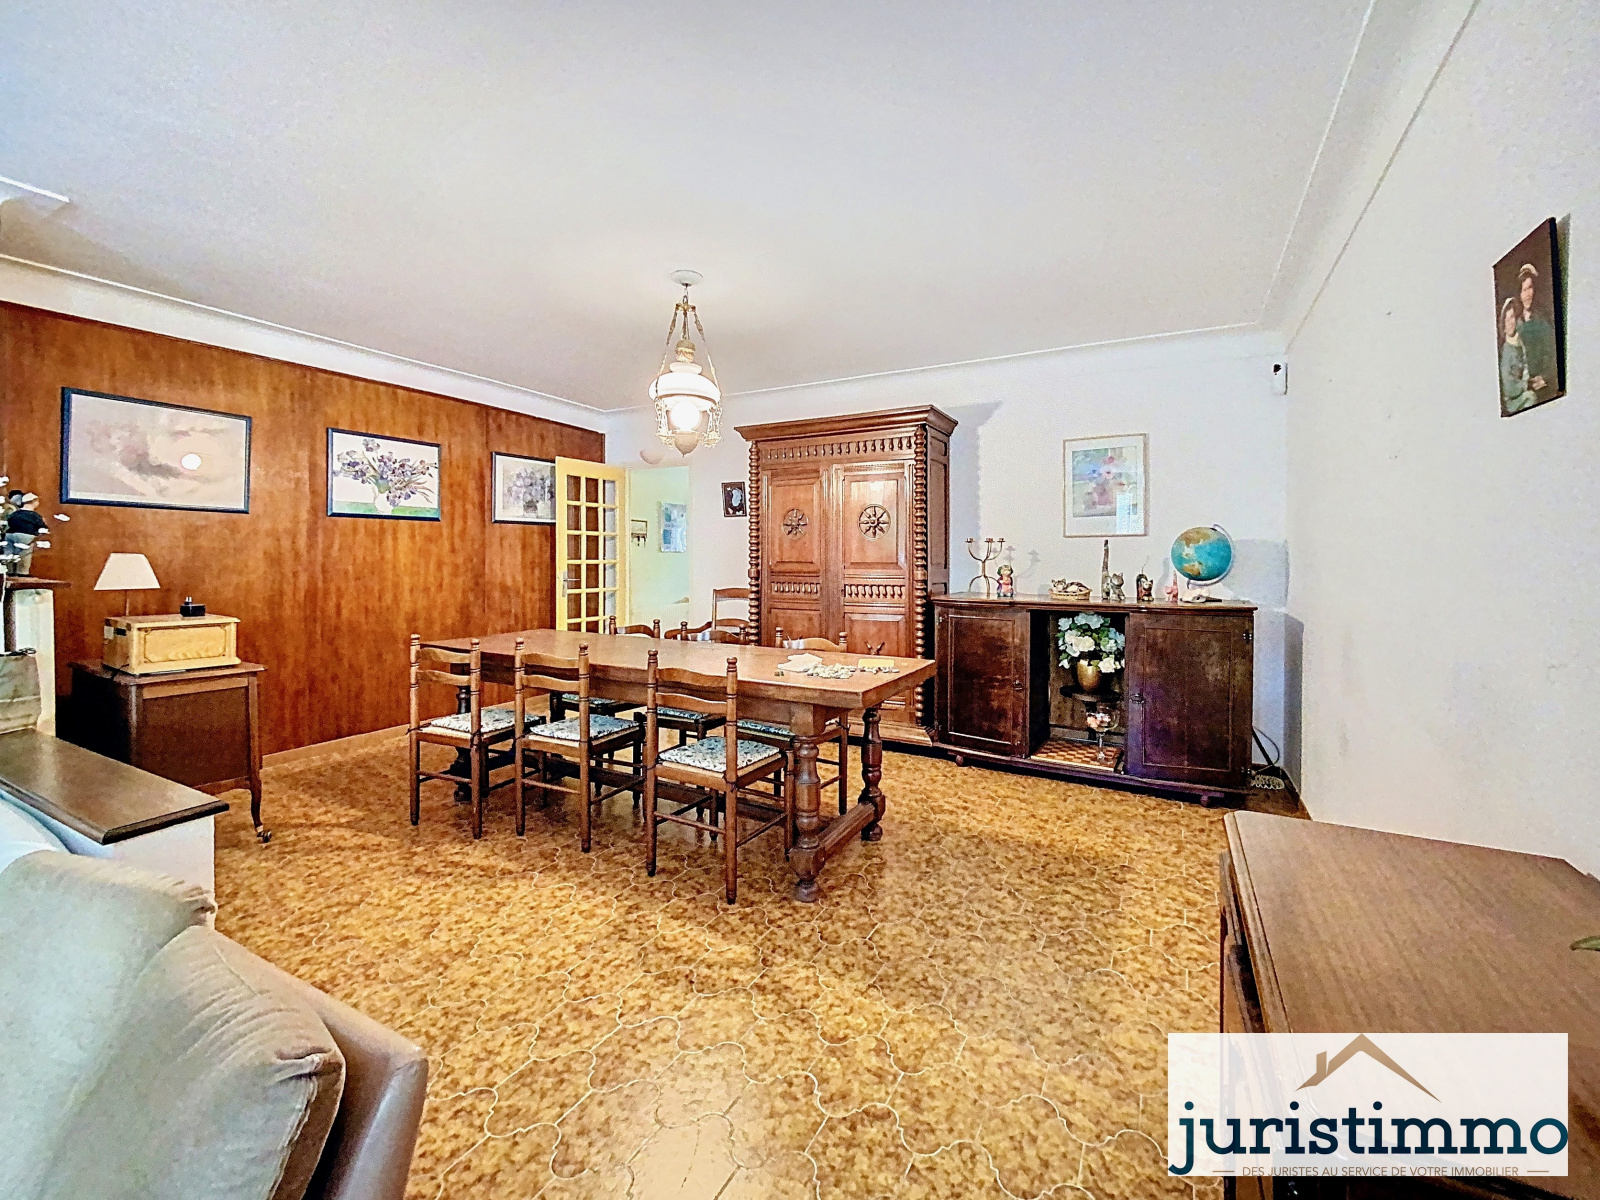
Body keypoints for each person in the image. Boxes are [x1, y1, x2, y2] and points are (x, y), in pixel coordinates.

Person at [1516, 263, 1558, 398]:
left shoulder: (1543, 321)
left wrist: (1545, 378)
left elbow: (1552, 354)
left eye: (1530, 288)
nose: (1528, 294)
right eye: (1524, 290)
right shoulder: (1516, 324)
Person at [1500, 298, 1538, 415]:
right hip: (1512, 402)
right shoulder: (1506, 351)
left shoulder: (1520, 343)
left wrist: (1532, 381)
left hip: (1524, 389)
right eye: (1506, 319)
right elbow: (1508, 387)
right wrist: (1527, 385)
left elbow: (1526, 365)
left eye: (1512, 317)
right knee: (1531, 397)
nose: (1510, 322)